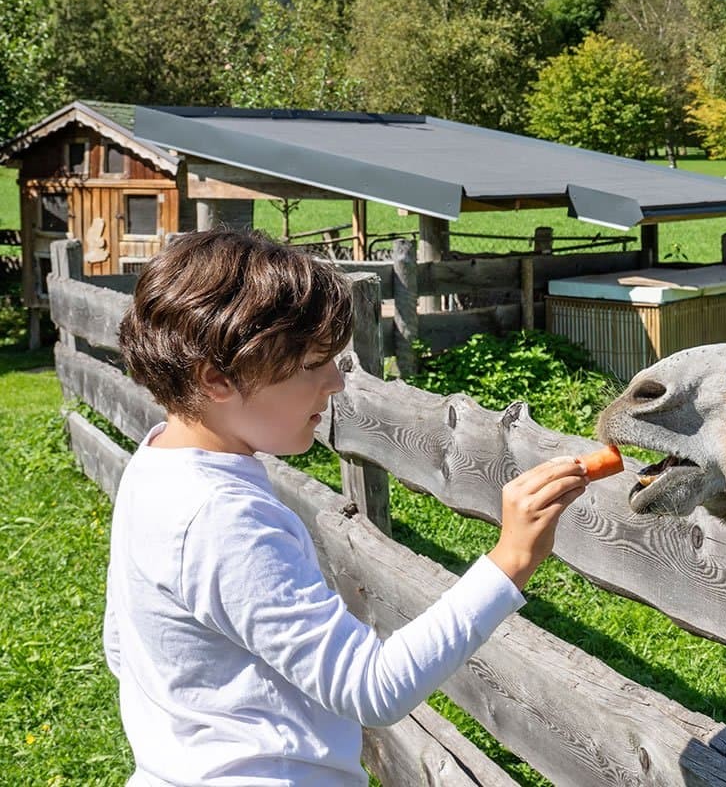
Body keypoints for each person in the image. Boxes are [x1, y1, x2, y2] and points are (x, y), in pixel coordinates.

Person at [104, 229, 589, 785]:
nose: (335, 382)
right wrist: (512, 559)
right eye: (313, 364)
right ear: (218, 377)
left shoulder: (156, 465)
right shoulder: (222, 519)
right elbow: (372, 687)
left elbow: (124, 644)